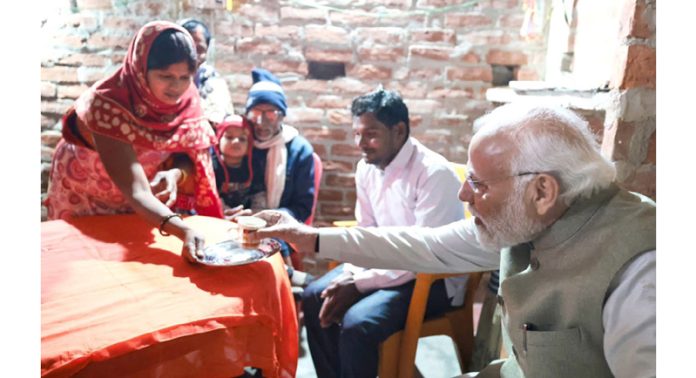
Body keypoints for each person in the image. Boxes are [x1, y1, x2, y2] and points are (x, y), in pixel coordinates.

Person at [250, 103, 656, 378]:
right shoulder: (530, 217)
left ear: (542, 190)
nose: (464, 195)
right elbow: (422, 244)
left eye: (477, 184)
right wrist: (310, 238)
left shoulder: (642, 273)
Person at [301, 88, 466, 378]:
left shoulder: (433, 173)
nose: (360, 144)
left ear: (399, 130)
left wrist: (360, 284)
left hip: (434, 277)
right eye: (356, 134)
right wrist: (352, 274)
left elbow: (424, 255)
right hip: (389, 263)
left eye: (370, 134)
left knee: (358, 322)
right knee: (315, 295)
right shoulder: (367, 169)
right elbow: (366, 231)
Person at [45, 21, 224, 262]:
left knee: (130, 266)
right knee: (85, 264)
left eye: (185, 77)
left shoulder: (187, 101)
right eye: (166, 76)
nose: (177, 86)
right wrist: (183, 229)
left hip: (143, 204)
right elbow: (137, 190)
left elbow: (186, 157)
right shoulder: (107, 106)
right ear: (140, 70)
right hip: (84, 194)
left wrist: (175, 175)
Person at [227, 68, 317, 275]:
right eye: (256, 112)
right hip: (235, 224)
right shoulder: (239, 143)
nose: (261, 121)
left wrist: (265, 218)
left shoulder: (299, 151)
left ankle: (286, 279)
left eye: (270, 113)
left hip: (278, 225)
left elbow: (302, 207)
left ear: (282, 116)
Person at [179, 18, 234, 125]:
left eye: (199, 49)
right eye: (188, 47)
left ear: (207, 51)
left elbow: (222, 123)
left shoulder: (215, 83)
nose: (193, 55)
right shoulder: (164, 78)